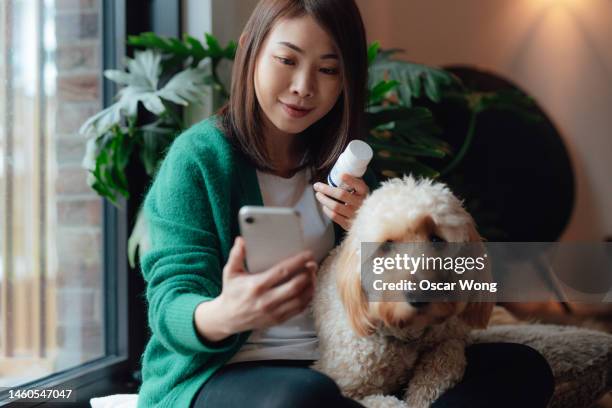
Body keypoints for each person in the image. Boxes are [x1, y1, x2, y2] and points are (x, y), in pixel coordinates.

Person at [137, 0, 555, 407]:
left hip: (345, 365)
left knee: (523, 367)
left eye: (328, 69)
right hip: (228, 372)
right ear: (249, 47)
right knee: (303, 398)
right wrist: (225, 314)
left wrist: (374, 232)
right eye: (287, 60)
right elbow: (171, 301)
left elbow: (398, 294)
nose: (304, 86)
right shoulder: (199, 159)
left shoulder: (347, 166)